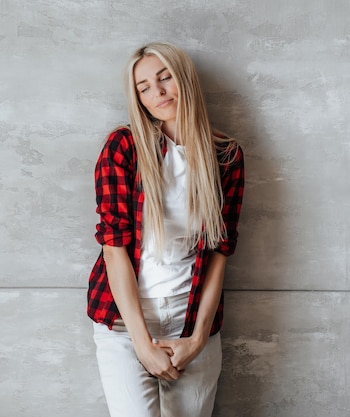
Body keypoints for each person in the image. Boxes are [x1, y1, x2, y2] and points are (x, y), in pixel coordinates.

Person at [87, 42, 245, 417]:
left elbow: (222, 249)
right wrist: (142, 344)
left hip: (191, 321)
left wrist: (199, 337)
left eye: (164, 78)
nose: (156, 92)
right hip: (125, 324)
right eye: (143, 87)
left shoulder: (226, 156)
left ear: (184, 79)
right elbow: (114, 247)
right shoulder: (123, 146)